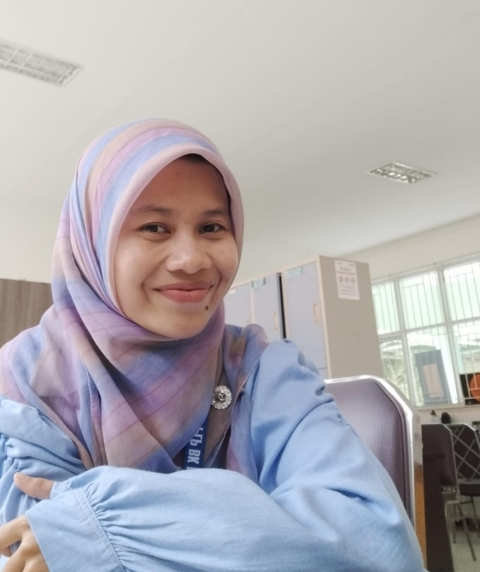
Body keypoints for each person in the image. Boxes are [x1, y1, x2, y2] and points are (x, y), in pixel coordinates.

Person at [0, 119, 425, 571]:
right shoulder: (27, 386)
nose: (191, 260)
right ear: (93, 244)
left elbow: (377, 544)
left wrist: (110, 526)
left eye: (211, 227)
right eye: (154, 227)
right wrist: (258, 531)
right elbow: (29, 556)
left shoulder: (263, 372)